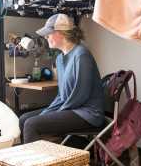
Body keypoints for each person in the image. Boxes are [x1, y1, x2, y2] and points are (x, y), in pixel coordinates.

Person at [19, 14, 104, 143]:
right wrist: (49, 111)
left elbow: (81, 95)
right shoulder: (59, 59)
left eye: (49, 33)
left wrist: (54, 113)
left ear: (63, 33)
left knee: (32, 124)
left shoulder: (81, 55)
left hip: (87, 113)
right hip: (71, 108)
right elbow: (62, 95)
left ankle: (35, 163)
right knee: (24, 119)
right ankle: (25, 160)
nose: (46, 37)